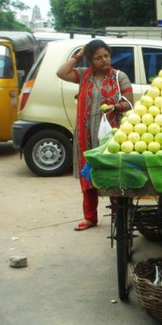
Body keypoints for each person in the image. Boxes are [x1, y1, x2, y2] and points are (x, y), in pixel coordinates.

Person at [57, 40, 133, 231]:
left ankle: (119, 215)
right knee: (88, 175)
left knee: (113, 174)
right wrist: (78, 55)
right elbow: (61, 72)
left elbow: (130, 103)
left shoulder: (119, 77)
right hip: (86, 134)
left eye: (106, 56)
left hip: (112, 136)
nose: (104, 60)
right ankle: (90, 218)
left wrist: (115, 107)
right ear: (90, 60)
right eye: (98, 58)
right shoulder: (83, 76)